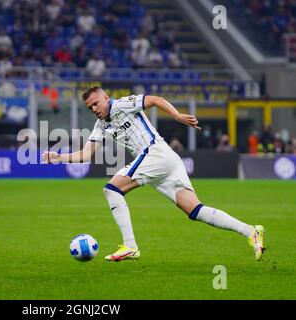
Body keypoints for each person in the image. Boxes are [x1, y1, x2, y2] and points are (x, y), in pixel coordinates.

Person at [42, 87, 265, 262]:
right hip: (163, 162)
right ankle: (250, 231)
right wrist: (59, 157)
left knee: (111, 190)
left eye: (96, 104)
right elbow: (86, 153)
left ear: (106, 98)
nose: (94, 109)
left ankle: (130, 246)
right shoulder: (101, 125)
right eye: (90, 107)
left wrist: (177, 115)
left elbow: (155, 100)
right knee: (196, 210)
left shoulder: (122, 104)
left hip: (155, 153)